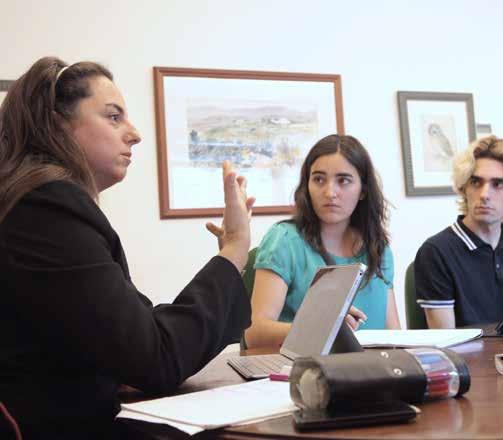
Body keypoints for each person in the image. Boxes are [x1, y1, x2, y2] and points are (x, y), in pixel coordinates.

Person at [0, 57, 255, 439]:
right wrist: (233, 252)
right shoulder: (48, 209)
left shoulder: (39, 205)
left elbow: (139, 332)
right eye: (113, 117)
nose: (134, 134)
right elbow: (156, 356)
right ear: (57, 125)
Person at [244, 134, 401, 349]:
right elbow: (254, 333)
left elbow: (395, 336)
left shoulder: (379, 249)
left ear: (363, 190)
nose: (329, 192)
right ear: (307, 184)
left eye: (343, 180)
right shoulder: (285, 240)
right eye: (318, 179)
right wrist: (321, 327)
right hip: (304, 375)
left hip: (373, 374)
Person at [415, 135, 503, 328]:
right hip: (465, 358)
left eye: (498, 184)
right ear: (464, 188)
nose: (484, 194)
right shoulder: (436, 251)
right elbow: (446, 342)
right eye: (476, 182)